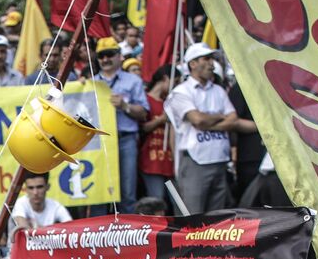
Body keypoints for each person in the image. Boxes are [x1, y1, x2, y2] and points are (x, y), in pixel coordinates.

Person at [164, 42, 236, 214]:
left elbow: (233, 119)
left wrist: (207, 120)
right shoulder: (180, 92)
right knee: (192, 218)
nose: (212, 63)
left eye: (212, 58)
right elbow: (197, 120)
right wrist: (220, 116)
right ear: (193, 64)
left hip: (219, 160)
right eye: (206, 58)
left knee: (217, 221)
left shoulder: (218, 90)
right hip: (196, 161)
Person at [91, 37, 149, 213]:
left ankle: (127, 236)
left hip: (125, 140)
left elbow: (144, 112)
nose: (105, 59)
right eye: (101, 56)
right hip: (99, 142)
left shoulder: (133, 81)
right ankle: (96, 237)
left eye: (109, 54)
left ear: (119, 56)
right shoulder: (90, 83)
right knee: (98, 193)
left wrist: (125, 107)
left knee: (127, 192)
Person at [138, 64, 175, 202]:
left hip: (170, 161)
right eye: (174, 82)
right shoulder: (144, 100)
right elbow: (142, 128)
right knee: (157, 202)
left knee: (177, 203)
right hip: (151, 161)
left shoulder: (170, 102)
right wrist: (161, 119)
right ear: (165, 79)